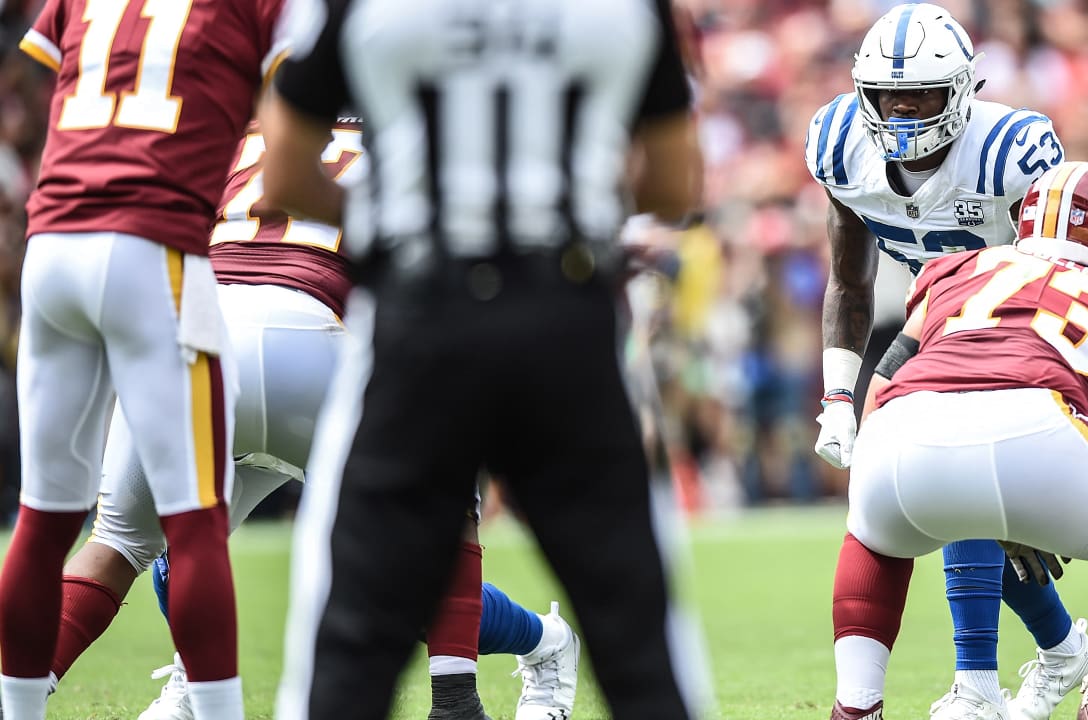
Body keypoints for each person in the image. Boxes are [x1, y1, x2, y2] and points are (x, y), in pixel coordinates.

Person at [42, 121, 580, 720]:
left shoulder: (255, 127)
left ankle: (29, 696)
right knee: (423, 535)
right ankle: (489, 681)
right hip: (319, 343)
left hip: (191, 338)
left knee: (125, 541)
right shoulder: (427, 127)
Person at [260, 1, 704, 719]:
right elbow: (675, 185)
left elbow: (281, 173)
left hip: (422, 317)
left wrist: (395, 216)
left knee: (352, 641)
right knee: (637, 641)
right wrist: (576, 192)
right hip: (566, 315)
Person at [835, 160, 1088, 720]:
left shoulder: (954, 271)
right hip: (1040, 430)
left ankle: (854, 705)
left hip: (900, 434)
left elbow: (883, 391)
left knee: (873, 533)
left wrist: (989, 506)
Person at [803, 5, 1088, 719]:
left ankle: (977, 688)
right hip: (936, 322)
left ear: (962, 91)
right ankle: (1060, 653)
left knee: (955, 467)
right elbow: (850, 278)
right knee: (920, 486)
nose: (902, 111)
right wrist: (839, 395)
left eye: (922, 95)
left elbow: (1062, 278)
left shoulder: (1011, 150)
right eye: (887, 95)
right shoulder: (841, 142)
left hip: (1026, 323)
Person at [0, 0, 288, 717]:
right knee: (194, 522)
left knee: (42, 517)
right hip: (154, 249)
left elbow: (33, 75)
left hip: (53, 243)